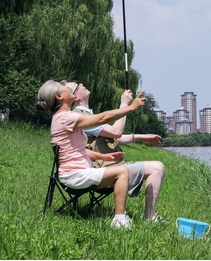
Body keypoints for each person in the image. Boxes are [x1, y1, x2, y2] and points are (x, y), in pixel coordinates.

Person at [36, 80, 146, 229]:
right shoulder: (66, 118)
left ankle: (120, 218)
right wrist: (130, 107)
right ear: (59, 97)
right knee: (122, 171)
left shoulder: (63, 117)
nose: (69, 89)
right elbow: (103, 118)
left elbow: (77, 149)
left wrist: (104, 157)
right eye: (65, 88)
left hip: (76, 173)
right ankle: (119, 220)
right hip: (74, 175)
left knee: (122, 170)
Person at [67, 81, 165, 221]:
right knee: (157, 167)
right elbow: (116, 132)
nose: (82, 84)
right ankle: (149, 217)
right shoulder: (81, 117)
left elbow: (113, 138)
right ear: (75, 97)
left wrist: (144, 137)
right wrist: (125, 104)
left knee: (156, 167)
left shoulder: (87, 116)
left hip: (108, 168)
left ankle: (149, 216)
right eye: (78, 85)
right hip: (101, 172)